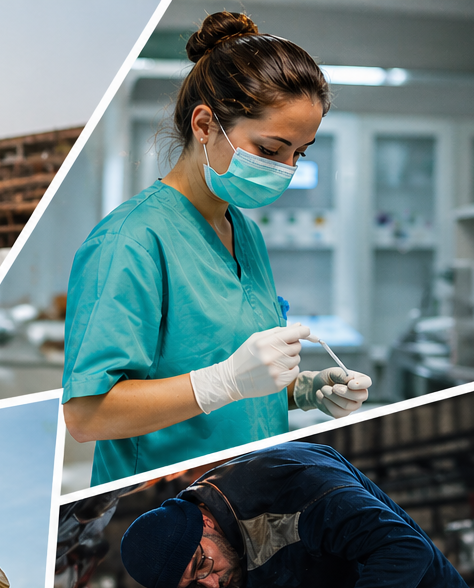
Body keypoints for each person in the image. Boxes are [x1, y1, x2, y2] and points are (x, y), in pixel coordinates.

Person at [61, 12, 372, 487]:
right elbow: (86, 414)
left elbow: (235, 380)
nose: (287, 169)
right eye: (270, 150)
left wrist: (302, 390)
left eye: (300, 153)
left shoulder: (244, 233)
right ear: (205, 124)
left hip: (251, 494)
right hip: (166, 501)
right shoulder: (131, 240)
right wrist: (222, 381)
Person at [120, 441, 474, 588]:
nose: (212, 585)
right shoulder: (209, 533)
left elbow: (406, 548)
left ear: (206, 522)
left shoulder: (302, 488)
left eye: (201, 567)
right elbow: (235, 570)